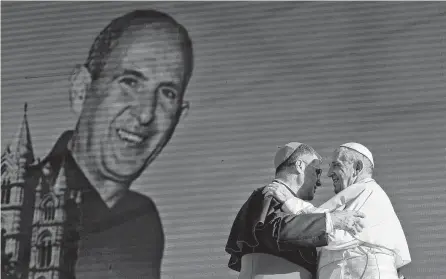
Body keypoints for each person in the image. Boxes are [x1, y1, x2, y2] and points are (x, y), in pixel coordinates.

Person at [32, 9, 193, 279]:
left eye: (167, 93)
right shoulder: (17, 200)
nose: (145, 114)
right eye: (129, 81)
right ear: (82, 89)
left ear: (179, 115)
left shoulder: (142, 221)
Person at [266, 142, 411, 279]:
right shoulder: (356, 194)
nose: (329, 173)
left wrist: (290, 202)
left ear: (357, 167)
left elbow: (333, 235)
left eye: (336, 165)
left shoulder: (368, 191)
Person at [225, 142, 366, 279]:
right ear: (299, 166)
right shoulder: (270, 193)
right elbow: (276, 230)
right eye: (317, 171)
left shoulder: (296, 208)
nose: (319, 181)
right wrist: (331, 220)